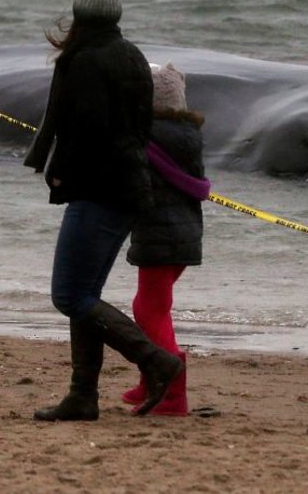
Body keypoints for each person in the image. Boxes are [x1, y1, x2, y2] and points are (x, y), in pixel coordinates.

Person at [23, 0, 183, 421]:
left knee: (69, 296)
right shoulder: (132, 55)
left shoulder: (84, 60)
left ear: (79, 9)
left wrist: (58, 175)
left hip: (99, 190)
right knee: (86, 293)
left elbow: (86, 134)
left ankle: (156, 360)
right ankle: (82, 396)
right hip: (128, 188)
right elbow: (138, 129)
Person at [119, 63, 210, 416]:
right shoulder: (187, 134)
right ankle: (150, 379)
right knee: (154, 306)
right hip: (184, 235)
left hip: (161, 234)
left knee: (148, 309)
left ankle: (172, 394)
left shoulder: (147, 135)